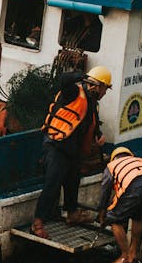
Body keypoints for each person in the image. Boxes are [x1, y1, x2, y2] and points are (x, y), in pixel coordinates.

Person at [31, 66, 111, 239]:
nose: (105, 93)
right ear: (98, 86)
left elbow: (90, 122)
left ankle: (72, 214)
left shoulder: (91, 102)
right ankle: (37, 224)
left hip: (72, 149)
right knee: (52, 184)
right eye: (105, 88)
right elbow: (64, 79)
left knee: (73, 181)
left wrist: (98, 135)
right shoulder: (74, 92)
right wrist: (83, 76)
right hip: (56, 145)